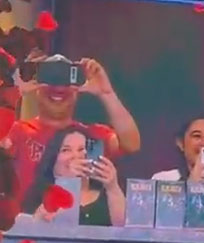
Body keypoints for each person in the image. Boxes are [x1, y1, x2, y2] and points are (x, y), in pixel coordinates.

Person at [2, 53, 140, 205]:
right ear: (38, 89)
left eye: (65, 84)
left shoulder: (91, 136)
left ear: (76, 91)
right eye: (50, 80)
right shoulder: (18, 132)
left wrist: (106, 93)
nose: (58, 89)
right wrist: (15, 92)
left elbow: (131, 143)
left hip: (79, 218)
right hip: (27, 218)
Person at [23, 125, 125, 226]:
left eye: (81, 149)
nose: (76, 156)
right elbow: (33, 229)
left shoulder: (109, 194)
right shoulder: (38, 194)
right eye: (66, 150)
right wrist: (67, 183)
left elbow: (124, 229)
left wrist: (112, 187)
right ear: (53, 160)